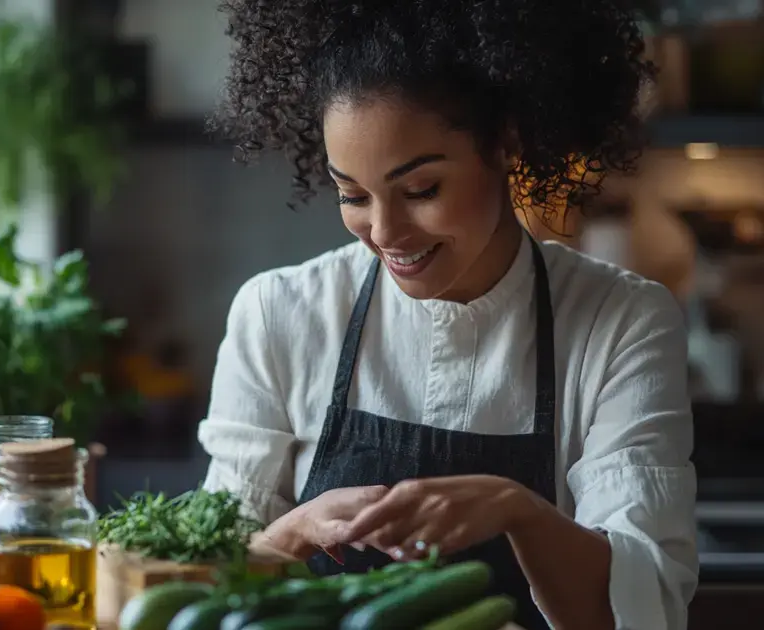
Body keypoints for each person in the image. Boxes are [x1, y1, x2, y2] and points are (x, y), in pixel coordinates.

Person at [198, 1, 698, 629]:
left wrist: (516, 510)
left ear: (506, 141)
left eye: (421, 191)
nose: (384, 232)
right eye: (352, 195)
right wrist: (295, 531)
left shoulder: (622, 322)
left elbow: (646, 604)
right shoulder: (278, 314)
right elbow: (205, 589)